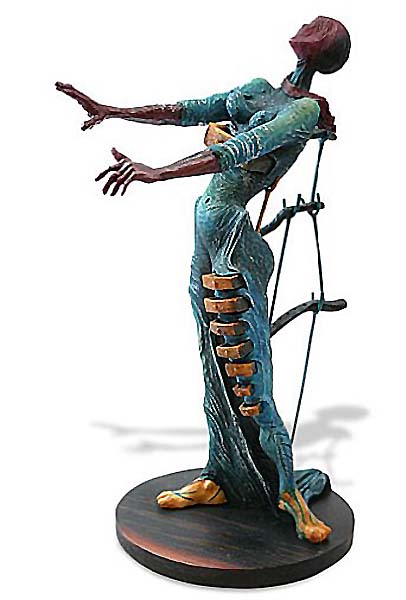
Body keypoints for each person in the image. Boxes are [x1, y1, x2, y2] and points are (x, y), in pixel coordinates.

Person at [57, 16, 350, 543]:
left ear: (322, 47)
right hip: (206, 229)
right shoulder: (259, 89)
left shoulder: (305, 111)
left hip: (233, 233)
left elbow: (238, 151)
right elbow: (190, 110)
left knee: (249, 371)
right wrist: (113, 111)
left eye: (316, 27)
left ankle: (288, 492)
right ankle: (221, 475)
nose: (306, 25)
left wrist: (157, 173)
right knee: (212, 363)